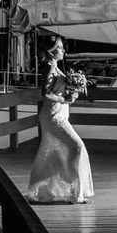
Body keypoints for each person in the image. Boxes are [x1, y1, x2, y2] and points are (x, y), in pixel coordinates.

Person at [24, 35, 94, 204]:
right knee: (77, 146)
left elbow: (56, 89)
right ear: (51, 51)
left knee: (55, 152)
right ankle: (74, 190)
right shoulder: (50, 67)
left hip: (60, 114)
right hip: (53, 116)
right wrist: (63, 99)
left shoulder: (55, 67)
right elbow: (45, 92)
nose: (63, 51)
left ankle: (57, 188)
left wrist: (71, 92)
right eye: (60, 48)